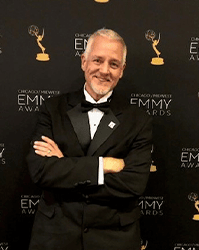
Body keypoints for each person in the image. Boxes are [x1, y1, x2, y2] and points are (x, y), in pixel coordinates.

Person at [27, 28, 152, 250]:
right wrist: (104, 165)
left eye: (113, 64)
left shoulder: (139, 120)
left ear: (122, 70)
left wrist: (65, 166)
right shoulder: (52, 109)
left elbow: (134, 184)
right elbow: (41, 171)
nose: (104, 70)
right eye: (97, 60)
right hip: (56, 236)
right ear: (84, 61)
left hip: (114, 238)